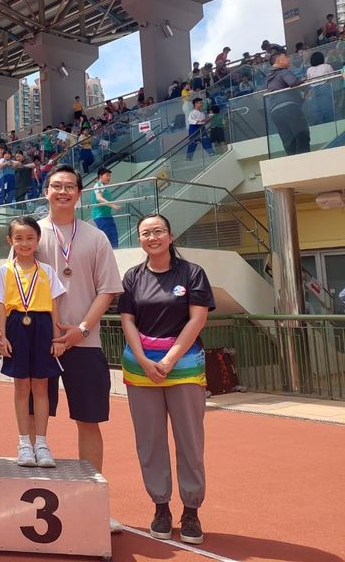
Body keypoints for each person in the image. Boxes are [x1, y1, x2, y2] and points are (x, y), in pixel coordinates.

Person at [0, 164, 123, 530]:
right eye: (56, 186)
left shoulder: (96, 237)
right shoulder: (29, 232)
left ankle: (92, 504)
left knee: (88, 420)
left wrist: (81, 329)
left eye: (69, 186)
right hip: (36, 341)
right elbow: (10, 282)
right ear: (45, 191)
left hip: (83, 342)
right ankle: (33, 503)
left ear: (79, 193)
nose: (63, 191)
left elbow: (108, 290)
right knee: (35, 417)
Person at [118, 214, 215, 546]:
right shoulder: (133, 277)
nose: (152, 237)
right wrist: (144, 360)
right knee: (150, 441)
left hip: (184, 367)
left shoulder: (192, 273)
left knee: (190, 440)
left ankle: (191, 511)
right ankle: (161, 507)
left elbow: (197, 318)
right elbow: (127, 320)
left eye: (158, 231)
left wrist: (170, 359)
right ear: (140, 240)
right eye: (146, 233)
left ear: (170, 236)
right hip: (141, 368)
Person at [0, 216, 66, 468]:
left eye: (30, 238)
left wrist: (57, 338)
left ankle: (41, 444)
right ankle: (24, 443)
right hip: (16, 328)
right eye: (19, 238)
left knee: (41, 388)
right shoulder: (5, 271)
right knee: (21, 388)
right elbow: (2, 307)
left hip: (42, 327)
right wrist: (2, 337)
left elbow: (54, 307)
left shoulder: (47, 271)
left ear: (38, 239)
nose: (25, 243)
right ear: (9, 241)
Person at [265, 50, 311, 156]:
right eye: (285, 57)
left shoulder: (269, 78)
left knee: (288, 140)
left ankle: (292, 161)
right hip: (289, 107)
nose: (288, 59)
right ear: (278, 60)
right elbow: (293, 82)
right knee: (302, 134)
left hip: (275, 112)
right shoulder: (283, 71)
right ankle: (304, 160)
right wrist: (303, 82)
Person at [90, 167, 121, 248]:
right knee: (108, 238)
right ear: (100, 176)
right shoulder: (98, 185)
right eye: (107, 175)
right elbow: (99, 198)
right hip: (101, 216)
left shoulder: (103, 187)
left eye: (109, 176)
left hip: (106, 216)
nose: (109, 177)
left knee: (112, 237)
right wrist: (113, 205)